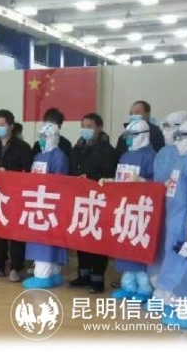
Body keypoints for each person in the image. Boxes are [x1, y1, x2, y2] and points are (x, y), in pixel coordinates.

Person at [152, 118, 187, 329]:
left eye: (184, 136)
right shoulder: (182, 159)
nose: (178, 140)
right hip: (175, 221)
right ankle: (175, 302)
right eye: (178, 136)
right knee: (174, 262)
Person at [105, 120, 156, 301]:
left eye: (131, 136)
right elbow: (122, 179)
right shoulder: (125, 156)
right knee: (125, 248)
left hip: (141, 211)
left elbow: (158, 185)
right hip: (124, 209)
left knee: (138, 249)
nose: (128, 139)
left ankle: (144, 289)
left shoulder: (151, 156)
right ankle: (128, 286)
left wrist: (144, 182)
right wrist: (111, 181)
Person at [68, 113, 118, 293]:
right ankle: (83, 274)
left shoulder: (108, 150)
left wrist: (90, 177)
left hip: (99, 201)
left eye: (89, 126)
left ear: (99, 128)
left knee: (97, 238)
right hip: (80, 199)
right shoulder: (77, 148)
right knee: (81, 235)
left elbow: (110, 174)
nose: (85, 130)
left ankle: (97, 278)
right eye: (83, 126)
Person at [0, 109, 33, 282]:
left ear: (11, 126)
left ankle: (16, 267)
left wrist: (9, 172)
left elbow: (27, 171)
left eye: (2, 124)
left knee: (16, 232)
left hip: (16, 195)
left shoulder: (22, 147)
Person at [22, 123, 70, 289]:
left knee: (46, 241)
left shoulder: (59, 157)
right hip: (36, 203)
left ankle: (43, 276)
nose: (41, 139)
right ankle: (53, 274)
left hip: (50, 204)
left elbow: (59, 182)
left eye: (45, 136)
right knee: (40, 239)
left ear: (53, 137)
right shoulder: (38, 156)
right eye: (40, 136)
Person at [148, 111, 187, 282]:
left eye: (169, 126)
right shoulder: (162, 153)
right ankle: (158, 283)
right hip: (161, 207)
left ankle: (177, 287)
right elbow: (156, 179)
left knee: (177, 246)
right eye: (164, 126)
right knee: (160, 243)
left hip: (181, 210)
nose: (165, 131)